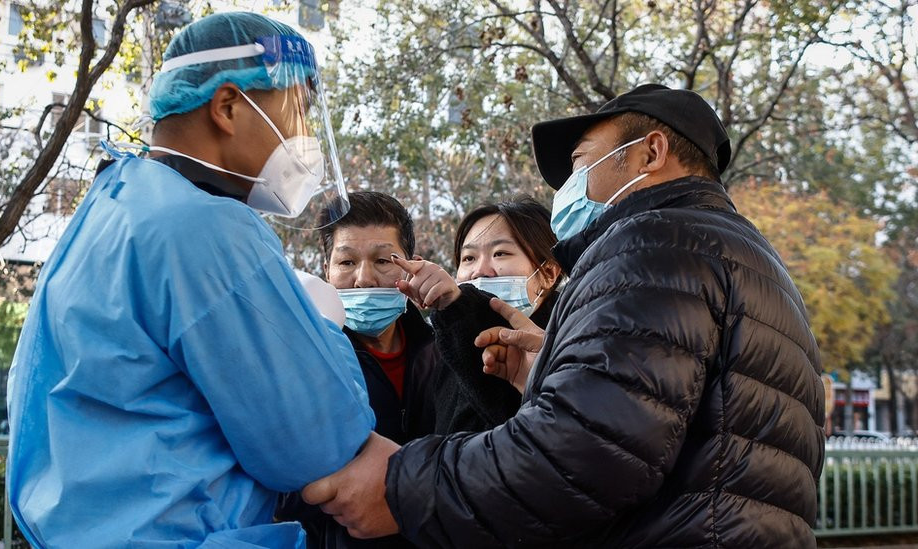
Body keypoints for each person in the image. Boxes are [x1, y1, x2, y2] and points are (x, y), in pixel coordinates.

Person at [303, 84, 826, 548]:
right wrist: (548, 382)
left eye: (581, 164)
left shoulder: (652, 248)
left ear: (651, 151)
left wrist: (400, 486)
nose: (569, 188)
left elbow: (583, 459)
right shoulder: (744, 255)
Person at [7, 13, 378, 548]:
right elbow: (317, 442)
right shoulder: (206, 226)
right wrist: (322, 333)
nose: (305, 137)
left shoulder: (113, 205)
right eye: (297, 110)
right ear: (228, 106)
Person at [276, 191, 435, 549]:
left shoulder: (447, 354)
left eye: (383, 260)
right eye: (347, 263)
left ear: (412, 265)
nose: (364, 278)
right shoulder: (300, 360)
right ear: (326, 271)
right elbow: (281, 490)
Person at [392, 196, 562, 433]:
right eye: (469, 258)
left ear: (548, 273)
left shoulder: (573, 347)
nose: (479, 271)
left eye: (500, 253)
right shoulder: (441, 354)